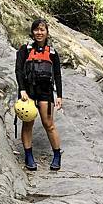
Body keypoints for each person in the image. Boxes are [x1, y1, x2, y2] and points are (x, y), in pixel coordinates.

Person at [15, 18, 63, 171]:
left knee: (48, 124)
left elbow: (57, 74)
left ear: (47, 32)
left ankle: (57, 155)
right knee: (28, 123)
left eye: (42, 30)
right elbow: (19, 70)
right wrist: (22, 89)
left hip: (45, 91)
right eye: (36, 30)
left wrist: (59, 96)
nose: (39, 33)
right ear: (32, 32)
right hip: (28, 91)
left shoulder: (53, 53)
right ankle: (29, 156)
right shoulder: (25, 49)